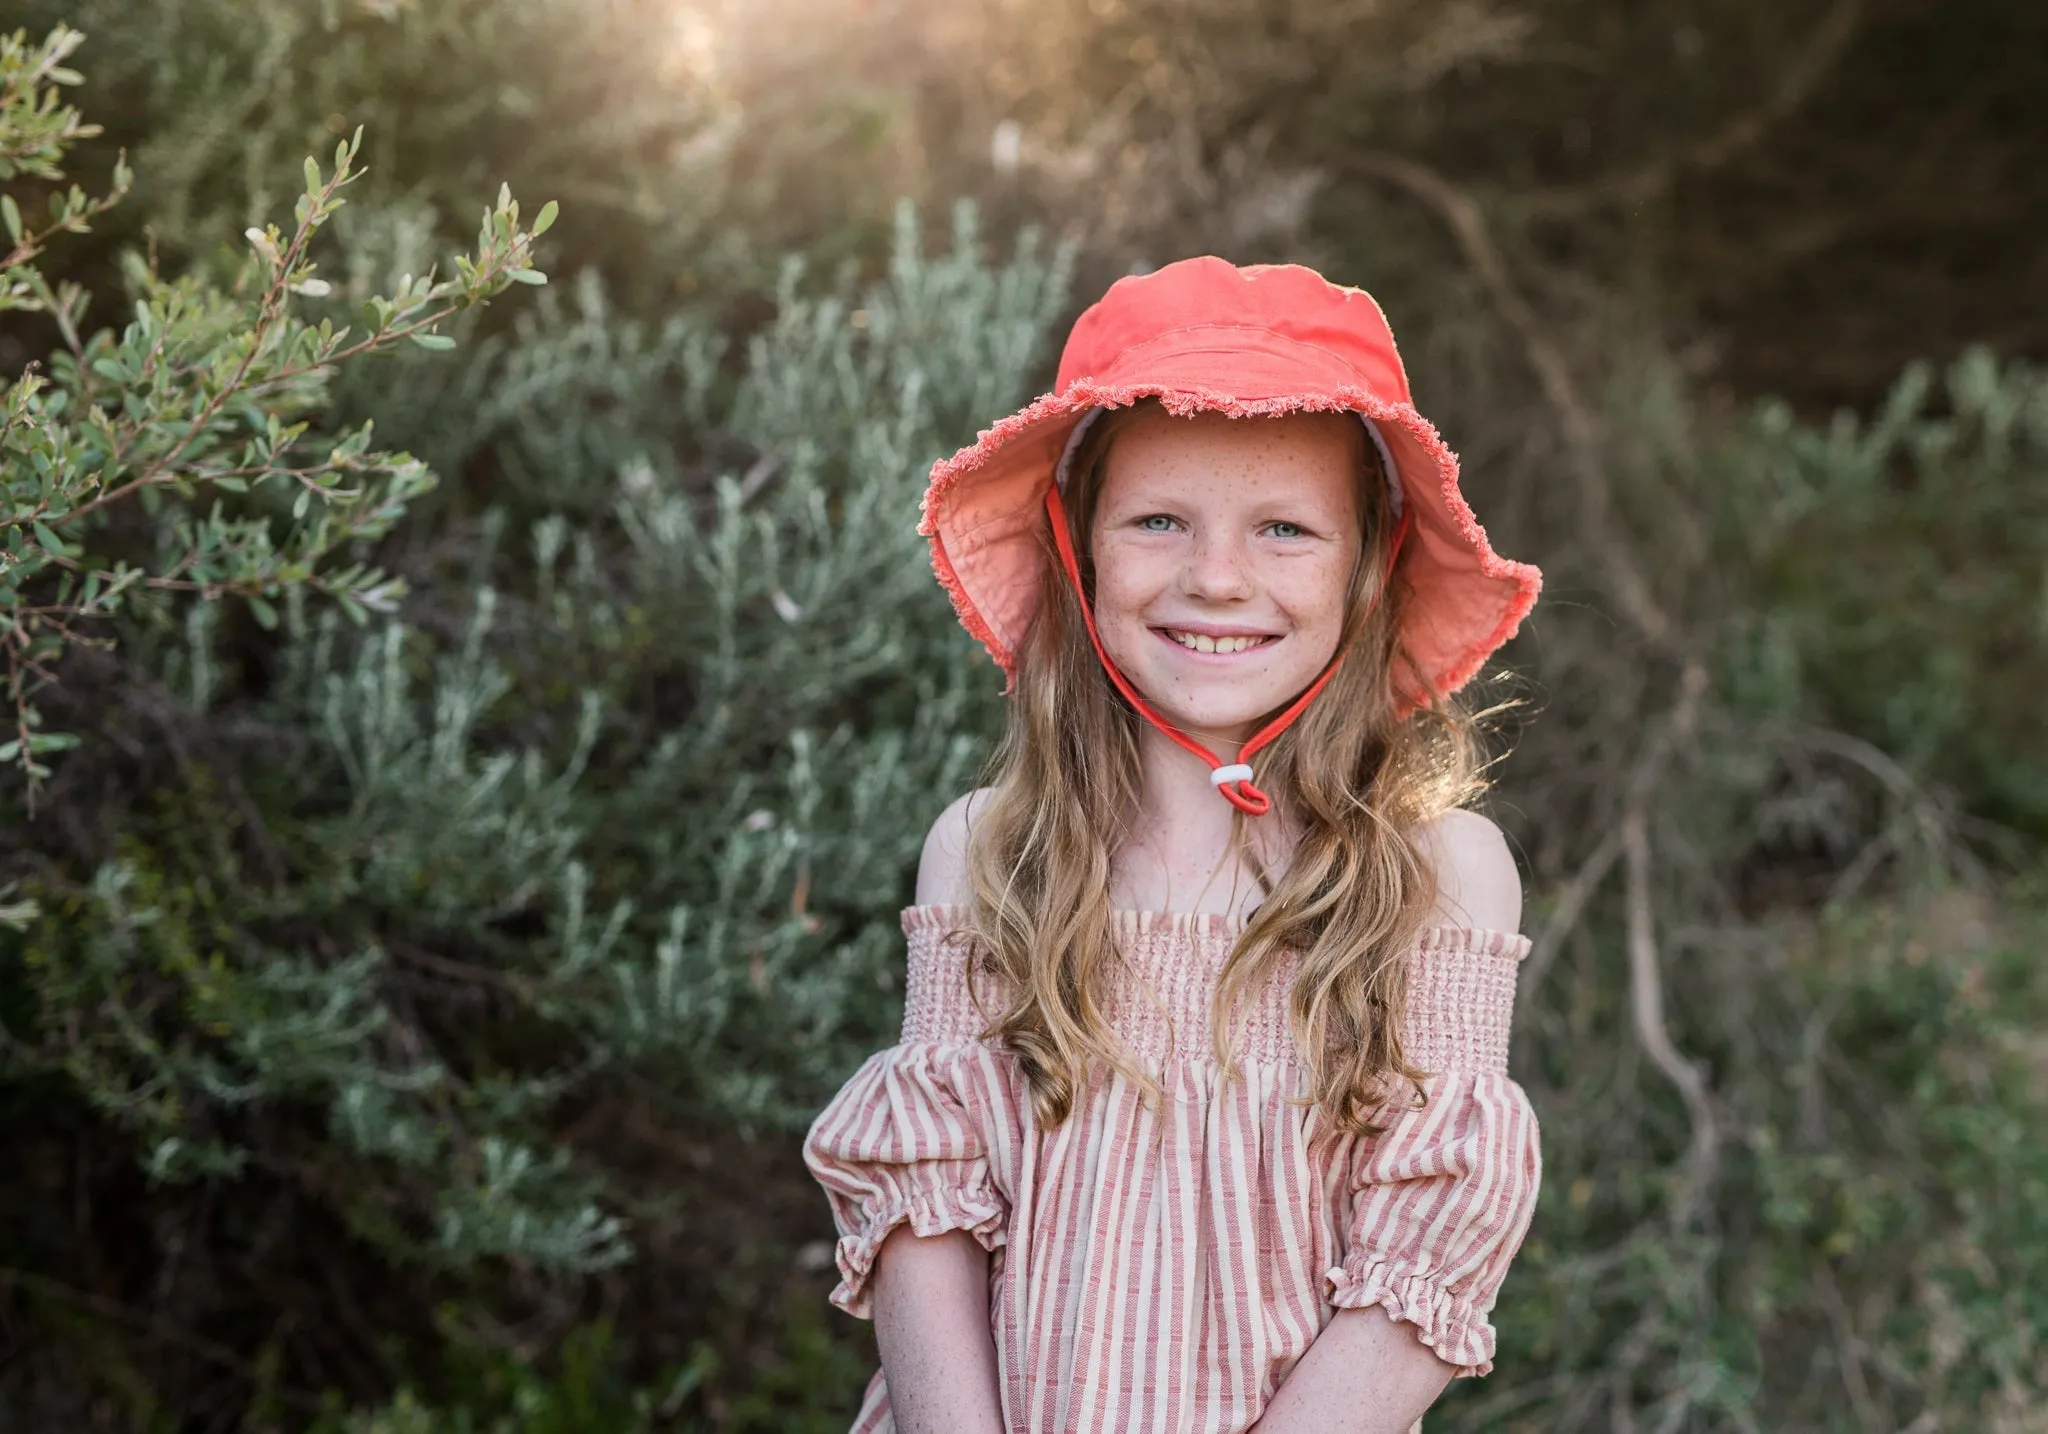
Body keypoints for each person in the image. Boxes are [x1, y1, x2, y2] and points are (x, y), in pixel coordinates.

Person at [803, 256, 1545, 1434]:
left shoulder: (1436, 873)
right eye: (1156, 521)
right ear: (1077, 546)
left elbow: (1425, 1264)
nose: (1214, 578)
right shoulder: (991, 850)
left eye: (1284, 530)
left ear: (1368, 567)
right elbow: (921, 1214)